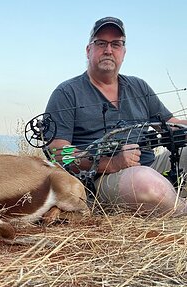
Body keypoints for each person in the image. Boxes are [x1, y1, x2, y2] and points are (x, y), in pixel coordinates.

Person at [45, 16, 187, 217]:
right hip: (101, 179)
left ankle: (168, 197)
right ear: (89, 50)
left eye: (116, 44)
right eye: (101, 43)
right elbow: (57, 153)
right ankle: (179, 209)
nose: (108, 50)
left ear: (124, 52)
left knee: (149, 176)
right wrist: (110, 163)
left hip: (151, 166)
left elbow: (172, 125)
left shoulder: (139, 86)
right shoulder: (67, 92)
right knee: (147, 183)